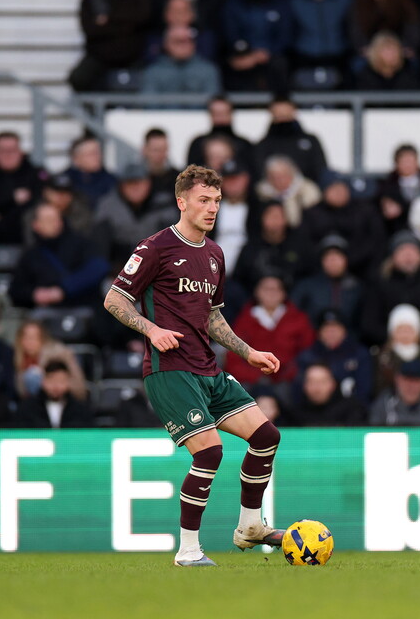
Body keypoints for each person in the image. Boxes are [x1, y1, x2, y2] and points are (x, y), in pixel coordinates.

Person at [103, 164, 285, 567]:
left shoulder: (216, 254)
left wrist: (247, 351)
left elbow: (212, 317)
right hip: (170, 371)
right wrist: (151, 330)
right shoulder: (154, 247)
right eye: (204, 200)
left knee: (266, 436)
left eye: (217, 201)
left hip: (208, 369)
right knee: (210, 453)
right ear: (181, 201)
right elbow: (114, 299)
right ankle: (188, 551)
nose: (212, 208)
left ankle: (250, 527)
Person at [9, 203, 110, 309]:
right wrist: (34, 294)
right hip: (46, 313)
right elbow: (16, 290)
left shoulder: (81, 244)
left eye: (56, 219)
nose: (54, 224)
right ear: (36, 225)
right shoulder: (30, 255)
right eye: (48, 220)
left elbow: (100, 267)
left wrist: (64, 289)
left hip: (83, 307)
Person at [225, 273, 315, 391]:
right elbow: (233, 357)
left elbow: (308, 353)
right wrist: (255, 377)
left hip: (290, 384)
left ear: (284, 293)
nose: (271, 293)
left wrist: (289, 374)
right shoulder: (244, 319)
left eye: (276, 289)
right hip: (251, 384)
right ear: (257, 292)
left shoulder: (298, 319)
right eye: (266, 289)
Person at [69, 0, 153, 92]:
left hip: (133, 55)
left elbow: (142, 18)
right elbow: (90, 30)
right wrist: (125, 23)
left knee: (153, 78)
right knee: (78, 78)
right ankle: (92, 109)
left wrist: (108, 20)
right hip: (100, 56)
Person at [92, 162, 179, 268]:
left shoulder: (164, 204)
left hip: (157, 268)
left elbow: (173, 245)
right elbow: (101, 250)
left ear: (149, 183)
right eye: (130, 183)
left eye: (140, 182)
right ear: (121, 185)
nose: (135, 187)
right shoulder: (107, 207)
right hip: (117, 271)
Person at [220, 0, 292, 91]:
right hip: (242, 56)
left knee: (279, 65)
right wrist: (247, 54)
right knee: (233, 64)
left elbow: (285, 35)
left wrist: (265, 54)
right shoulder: (233, 6)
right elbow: (230, 35)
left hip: (273, 57)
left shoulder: (280, 5)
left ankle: (280, 102)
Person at [0, 131, 44, 244]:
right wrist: (11, 198)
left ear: (21, 152)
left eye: (12, 150)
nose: (8, 155)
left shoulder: (37, 177)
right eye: (3, 150)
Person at [295, 310, 372, 403]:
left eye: (335, 329)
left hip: (350, 410)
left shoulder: (359, 354)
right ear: (319, 332)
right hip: (315, 409)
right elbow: (299, 390)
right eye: (326, 329)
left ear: (344, 330)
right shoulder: (307, 356)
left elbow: (364, 391)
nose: (331, 333)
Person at [253, 95, 328, 185]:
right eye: (279, 116)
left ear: (294, 112)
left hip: (306, 193)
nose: (283, 119)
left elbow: (321, 170)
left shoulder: (310, 141)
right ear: (271, 114)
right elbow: (260, 175)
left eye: (286, 115)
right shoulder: (263, 145)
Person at [375, 143, 420, 235]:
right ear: (396, 163)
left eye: (411, 161)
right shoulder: (386, 186)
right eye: (404, 161)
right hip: (397, 231)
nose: (408, 165)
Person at [13, 319, 87, 401]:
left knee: (32, 376)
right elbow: (20, 392)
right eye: (26, 337)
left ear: (43, 338)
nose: (30, 342)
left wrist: (51, 380)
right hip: (34, 404)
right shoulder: (17, 358)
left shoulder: (60, 353)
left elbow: (79, 388)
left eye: (34, 337)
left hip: (65, 401)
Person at [140, 24, 221, 95]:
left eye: (187, 41)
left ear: (194, 44)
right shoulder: (153, 72)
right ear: (166, 44)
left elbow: (214, 105)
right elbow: (148, 107)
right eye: (178, 41)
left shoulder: (208, 70)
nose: (183, 46)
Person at [15, 360, 94, 428]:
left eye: (61, 381)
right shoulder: (27, 408)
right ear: (43, 381)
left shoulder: (80, 410)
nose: (56, 386)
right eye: (51, 381)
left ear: (69, 382)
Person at [186, 96, 254, 170]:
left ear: (231, 114)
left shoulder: (244, 145)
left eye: (224, 113)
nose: (220, 118)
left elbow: (252, 173)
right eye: (216, 114)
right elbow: (191, 174)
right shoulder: (198, 144)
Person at [368, 359, 420, 425]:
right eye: (406, 380)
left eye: (416, 381)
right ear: (397, 379)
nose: (411, 386)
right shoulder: (383, 404)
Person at [288, 362, 365, 426]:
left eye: (322, 382)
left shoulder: (351, 410)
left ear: (333, 384)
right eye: (311, 382)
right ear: (304, 386)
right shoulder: (294, 415)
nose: (316, 388)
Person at [254, 155, 321, 227]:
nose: (280, 181)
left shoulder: (308, 193)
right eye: (274, 177)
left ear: (292, 174)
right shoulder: (262, 195)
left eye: (283, 176)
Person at [353, 31, 420, 90]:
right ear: (376, 53)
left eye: (394, 50)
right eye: (387, 50)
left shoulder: (408, 75)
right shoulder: (365, 78)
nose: (392, 54)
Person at [61, 135, 116, 206]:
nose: (98, 157)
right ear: (76, 158)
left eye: (98, 153)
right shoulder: (64, 182)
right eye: (92, 154)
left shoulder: (112, 181)